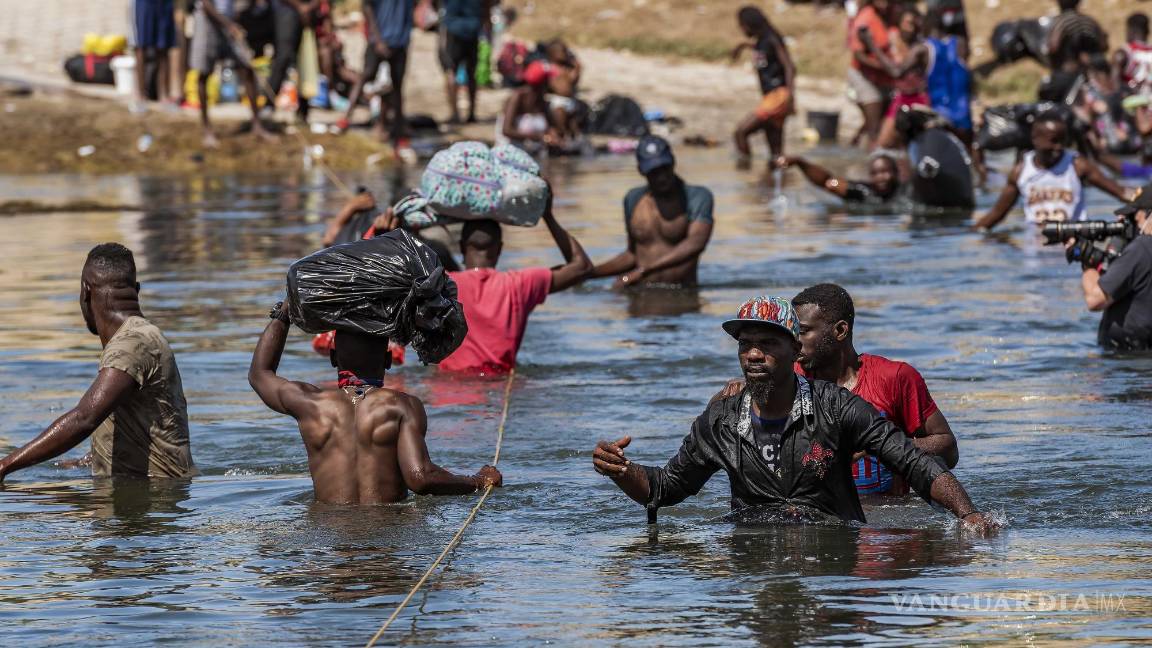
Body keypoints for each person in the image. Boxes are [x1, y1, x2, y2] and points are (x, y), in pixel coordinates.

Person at [591, 296, 996, 533]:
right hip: (753, 561)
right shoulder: (720, 421)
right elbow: (664, 488)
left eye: (767, 344)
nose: (753, 354)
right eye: (745, 345)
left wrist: (970, 516)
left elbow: (915, 464)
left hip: (832, 564)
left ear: (795, 351)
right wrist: (622, 470)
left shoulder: (837, 408)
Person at [715, 284, 959, 496]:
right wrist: (741, 391)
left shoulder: (894, 377)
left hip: (887, 516)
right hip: (819, 513)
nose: (794, 341)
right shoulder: (788, 379)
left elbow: (948, 449)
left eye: (802, 331)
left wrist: (885, 448)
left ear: (840, 331)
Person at [250, 305, 502, 504]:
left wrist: (284, 313)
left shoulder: (310, 404)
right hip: (387, 538)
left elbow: (260, 374)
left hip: (329, 540)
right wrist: (477, 481)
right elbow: (421, 478)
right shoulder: (402, 406)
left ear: (334, 358)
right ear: (388, 360)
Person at [0, 244, 195, 483]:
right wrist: (86, 461)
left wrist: (4, 466)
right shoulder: (142, 337)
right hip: (151, 493)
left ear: (85, 292)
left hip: (151, 497)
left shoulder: (131, 345)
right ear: (136, 291)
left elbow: (84, 418)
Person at [436, 193, 592, 374]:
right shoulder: (519, 284)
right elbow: (582, 267)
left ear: (462, 247)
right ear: (500, 249)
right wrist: (547, 216)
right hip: (501, 385)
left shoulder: (440, 286)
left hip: (447, 386)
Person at [591, 136, 715, 288]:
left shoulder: (697, 197)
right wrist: (590, 273)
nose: (661, 177)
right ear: (641, 171)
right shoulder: (633, 199)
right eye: (654, 172)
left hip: (681, 294)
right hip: (640, 292)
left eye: (665, 168)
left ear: (673, 162)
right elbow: (632, 255)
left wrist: (643, 271)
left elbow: (696, 243)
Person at [974, 113, 1131, 231]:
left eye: (1063, 141)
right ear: (1035, 139)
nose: (1059, 147)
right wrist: (968, 236)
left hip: (1072, 241)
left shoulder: (1077, 165)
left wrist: (1141, 199)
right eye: (1054, 141)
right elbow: (996, 214)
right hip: (1036, 244)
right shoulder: (1021, 171)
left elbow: (1121, 192)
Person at [191, 0, 274, 147]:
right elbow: (206, 4)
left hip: (228, 21)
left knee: (247, 68)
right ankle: (207, 129)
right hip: (207, 20)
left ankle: (257, 125)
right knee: (204, 73)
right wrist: (228, 25)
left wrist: (234, 19)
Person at [1079, 185, 1152, 350]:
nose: (1128, 223)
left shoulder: (1141, 249)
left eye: (1133, 216)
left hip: (1128, 360)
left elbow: (1095, 299)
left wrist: (1087, 262)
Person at [338, 0, 414, 156]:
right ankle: (345, 118)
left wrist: (405, 38)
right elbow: (366, 6)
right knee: (366, 76)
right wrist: (377, 38)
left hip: (400, 43)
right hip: (378, 40)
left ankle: (398, 132)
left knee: (397, 87)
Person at [731, 5, 796, 162]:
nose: (742, 29)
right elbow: (764, 50)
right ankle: (776, 175)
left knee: (741, 132)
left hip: (778, 97)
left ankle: (745, 168)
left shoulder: (772, 38)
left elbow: (789, 66)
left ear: (749, 24)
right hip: (770, 96)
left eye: (742, 26)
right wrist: (743, 46)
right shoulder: (762, 40)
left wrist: (790, 95)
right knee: (776, 153)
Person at [861, 7, 931, 150]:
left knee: (914, 144)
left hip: (918, 100)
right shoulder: (893, 40)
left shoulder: (920, 48)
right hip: (900, 98)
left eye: (914, 24)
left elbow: (896, 72)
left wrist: (871, 45)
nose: (911, 28)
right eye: (907, 24)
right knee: (883, 144)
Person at [847, 0, 895, 148]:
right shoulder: (865, 19)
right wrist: (882, 66)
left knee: (881, 119)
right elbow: (858, 54)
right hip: (864, 75)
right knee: (874, 123)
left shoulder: (890, 15)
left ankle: (856, 143)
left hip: (885, 77)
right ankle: (873, 154)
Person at [774, 153, 901, 207]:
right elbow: (830, 181)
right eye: (876, 173)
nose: (881, 177)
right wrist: (800, 162)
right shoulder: (863, 191)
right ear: (870, 176)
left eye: (885, 172)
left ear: (896, 173)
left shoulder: (905, 191)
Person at [1042, 0, 1108, 101]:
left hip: (1069, 74)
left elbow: (1052, 47)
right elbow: (1104, 45)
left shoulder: (1060, 22)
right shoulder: (1089, 21)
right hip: (1096, 74)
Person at [440, 0, 491, 124]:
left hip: (454, 29)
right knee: (471, 73)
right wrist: (487, 24)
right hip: (473, 29)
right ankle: (471, 114)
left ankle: (455, 114)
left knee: (451, 71)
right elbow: (487, 5)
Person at [268, 0, 320, 121]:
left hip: (307, 16)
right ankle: (268, 105)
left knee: (306, 60)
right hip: (287, 12)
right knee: (283, 58)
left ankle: (303, 111)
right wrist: (300, 6)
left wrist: (309, 7)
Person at [496, 61, 560, 152]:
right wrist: (539, 137)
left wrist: (553, 136)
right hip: (510, 152)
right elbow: (506, 130)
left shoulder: (542, 101)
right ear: (542, 83)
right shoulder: (517, 97)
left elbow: (550, 126)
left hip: (532, 151)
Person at [132, 0, 177, 110]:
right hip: (145, 3)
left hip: (164, 4)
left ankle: (164, 95)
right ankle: (140, 95)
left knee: (163, 47)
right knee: (141, 46)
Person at [544, 40, 585, 142]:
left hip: (570, 100)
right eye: (562, 51)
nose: (565, 54)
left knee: (573, 123)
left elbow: (573, 81)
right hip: (556, 100)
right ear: (552, 54)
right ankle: (561, 137)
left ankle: (574, 138)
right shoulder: (550, 68)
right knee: (560, 119)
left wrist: (577, 69)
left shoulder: (566, 68)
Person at [1113, 13, 1152, 93]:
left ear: (1131, 31)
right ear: (1147, 31)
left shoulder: (1123, 53)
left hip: (1131, 98)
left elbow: (1114, 83)